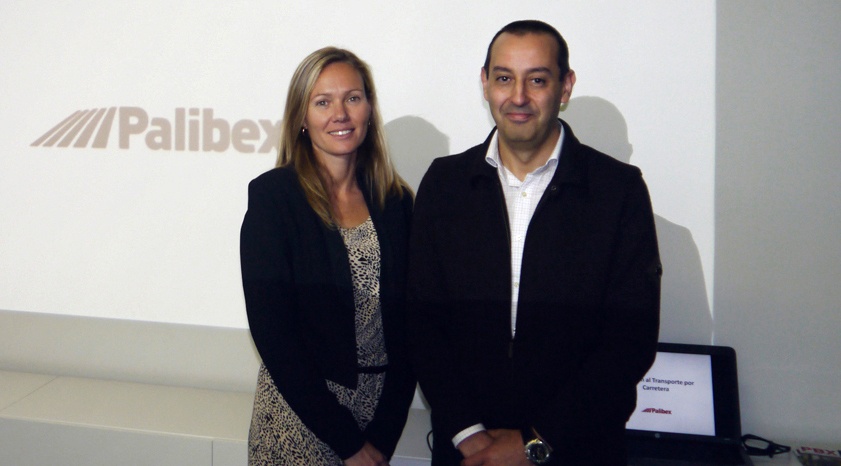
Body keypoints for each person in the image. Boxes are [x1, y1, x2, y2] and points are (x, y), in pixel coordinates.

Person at [407, 20, 661, 466]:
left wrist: (535, 442)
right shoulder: (444, 184)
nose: (518, 97)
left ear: (565, 87)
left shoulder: (618, 191)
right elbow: (423, 321)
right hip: (468, 453)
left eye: (537, 80)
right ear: (485, 84)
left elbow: (628, 341)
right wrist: (468, 434)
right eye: (504, 78)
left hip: (579, 450)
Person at [240, 47, 415, 466]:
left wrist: (382, 438)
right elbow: (274, 336)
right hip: (300, 417)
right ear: (302, 117)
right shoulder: (274, 199)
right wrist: (349, 445)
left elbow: (412, 325)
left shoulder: (397, 202)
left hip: (379, 418)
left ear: (369, 110)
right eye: (323, 102)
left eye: (352, 98)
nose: (340, 113)